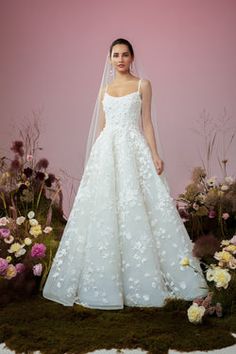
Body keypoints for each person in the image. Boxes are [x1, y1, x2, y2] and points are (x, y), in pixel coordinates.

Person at [42, 38, 209, 309]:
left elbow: (147, 123)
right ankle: (106, 282)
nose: (120, 59)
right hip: (107, 153)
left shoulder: (143, 85)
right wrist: (94, 161)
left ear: (132, 58)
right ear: (109, 59)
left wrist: (155, 154)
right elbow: (101, 127)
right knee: (105, 211)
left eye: (125, 54)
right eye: (115, 55)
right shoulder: (105, 90)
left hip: (134, 151)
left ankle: (148, 279)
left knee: (139, 208)